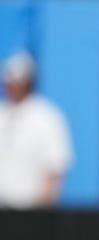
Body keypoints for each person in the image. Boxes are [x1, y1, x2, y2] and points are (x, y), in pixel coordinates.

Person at [0, 50, 73, 208]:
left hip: (30, 211)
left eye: (16, 81)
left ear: (28, 82)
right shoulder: (2, 113)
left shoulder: (46, 118)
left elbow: (54, 169)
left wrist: (40, 213)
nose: (10, 85)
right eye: (8, 81)